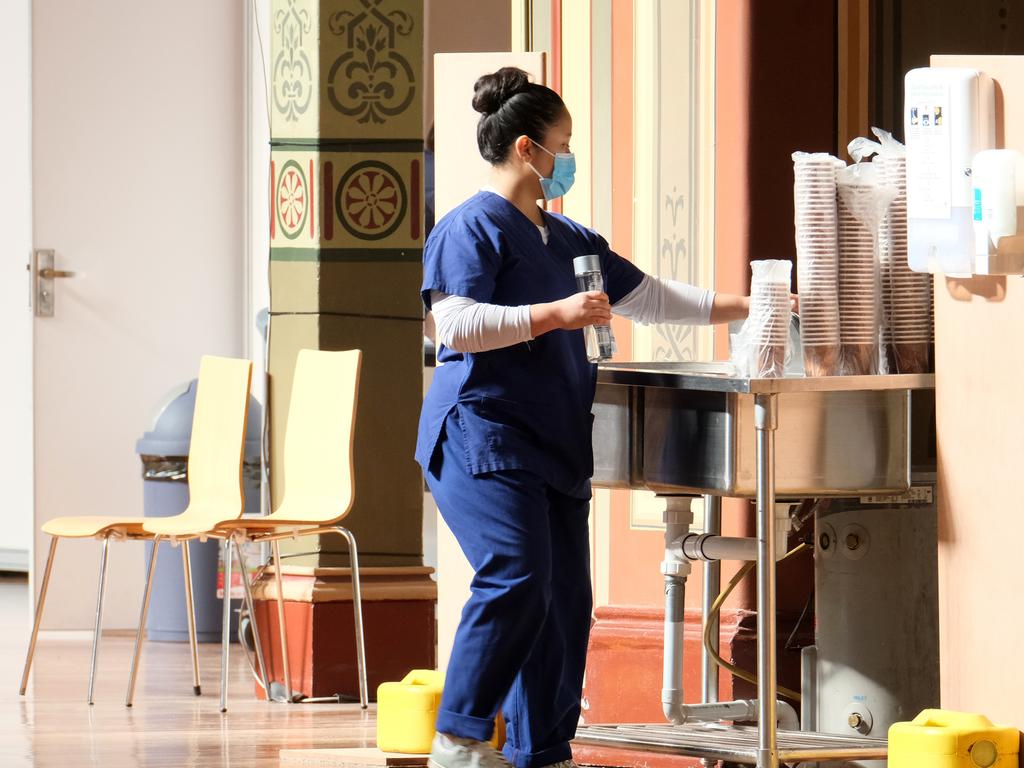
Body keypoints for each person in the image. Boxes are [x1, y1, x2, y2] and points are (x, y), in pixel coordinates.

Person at [416, 67, 751, 768]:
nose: (568, 160)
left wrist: (755, 306)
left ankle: (544, 752)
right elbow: (455, 326)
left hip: (553, 442)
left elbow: (652, 297)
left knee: (564, 602)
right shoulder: (469, 227)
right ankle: (460, 734)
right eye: (563, 145)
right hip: (483, 435)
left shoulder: (571, 239)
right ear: (527, 150)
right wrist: (554, 316)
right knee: (516, 574)